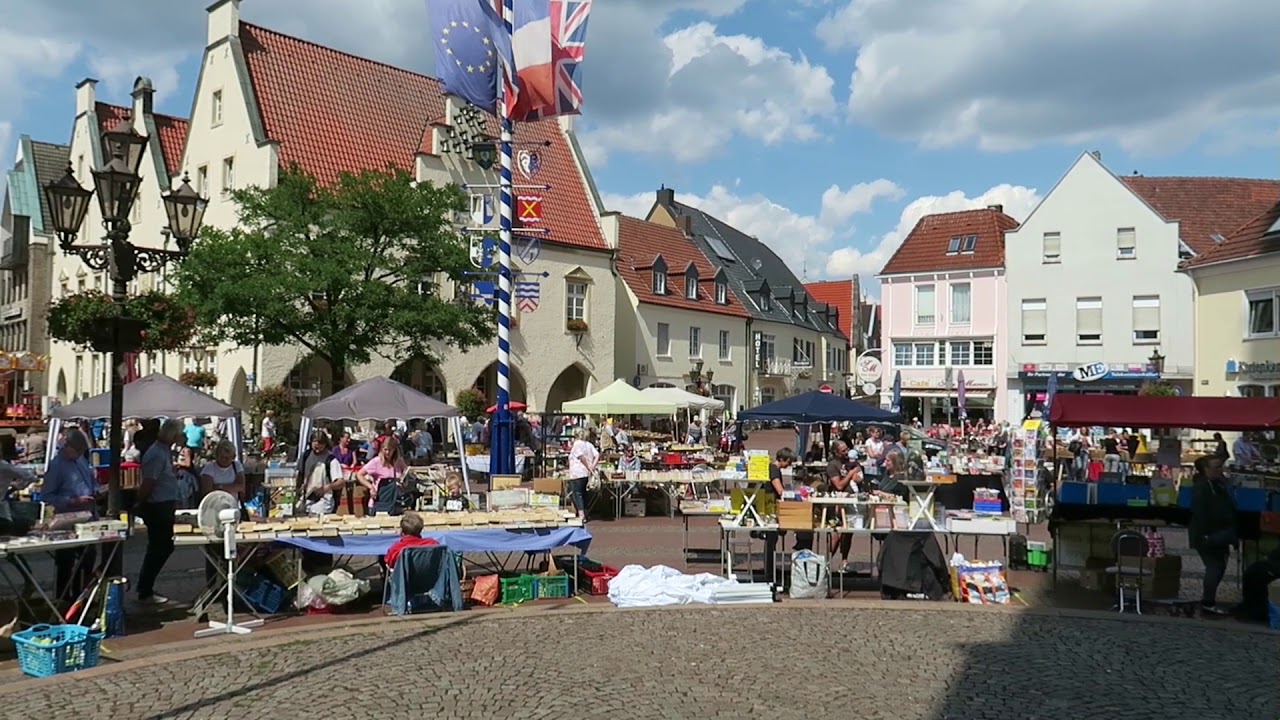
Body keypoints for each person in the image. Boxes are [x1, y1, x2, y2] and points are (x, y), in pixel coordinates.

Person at [39, 428, 99, 600]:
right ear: (67, 446)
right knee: (66, 564)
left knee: (87, 560)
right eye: (77, 450)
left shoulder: (80, 460)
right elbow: (47, 496)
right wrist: (72, 501)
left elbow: (91, 483)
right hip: (67, 522)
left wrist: (97, 491)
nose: (79, 454)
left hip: (87, 519)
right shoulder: (57, 465)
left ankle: (82, 598)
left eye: (81, 451)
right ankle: (63, 600)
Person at [135, 418, 186, 606]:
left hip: (164, 504)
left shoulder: (164, 452)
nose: (184, 437)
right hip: (157, 506)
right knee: (159, 547)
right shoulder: (157, 453)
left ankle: (145, 587)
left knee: (163, 546)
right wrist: (140, 502)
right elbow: (149, 482)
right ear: (173, 435)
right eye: (181, 433)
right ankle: (145, 589)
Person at [1189, 454, 1238, 615]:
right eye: (1216, 467)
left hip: (1219, 532)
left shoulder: (1219, 484)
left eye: (1220, 466)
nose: (1220, 469)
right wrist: (1205, 535)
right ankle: (1208, 601)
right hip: (1209, 534)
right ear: (1206, 469)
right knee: (1214, 567)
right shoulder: (1203, 487)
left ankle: (1208, 600)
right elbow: (1201, 512)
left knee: (1219, 566)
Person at [761, 448, 796, 584]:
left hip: (770, 505)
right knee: (771, 540)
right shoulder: (774, 470)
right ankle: (769, 573)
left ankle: (769, 570)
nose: (789, 465)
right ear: (782, 459)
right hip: (770, 507)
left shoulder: (774, 469)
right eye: (789, 462)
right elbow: (779, 490)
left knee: (772, 541)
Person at [825, 441, 861, 568]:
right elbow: (839, 485)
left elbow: (859, 476)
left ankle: (845, 561)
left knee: (849, 532)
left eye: (847, 449)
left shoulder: (852, 462)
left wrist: (857, 476)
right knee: (839, 532)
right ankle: (827, 561)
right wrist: (851, 474)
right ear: (836, 452)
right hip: (840, 502)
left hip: (853, 499)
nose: (846, 452)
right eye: (843, 451)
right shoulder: (832, 466)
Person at [298, 431, 347, 515]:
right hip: (305, 502)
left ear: (325, 444)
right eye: (315, 447)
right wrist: (298, 488)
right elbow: (300, 473)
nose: (317, 450)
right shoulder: (305, 456)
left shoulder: (331, 460)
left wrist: (327, 487)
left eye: (320, 447)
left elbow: (341, 482)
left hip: (323, 504)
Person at [357, 435, 408, 515]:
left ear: (395, 450)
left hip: (395, 504)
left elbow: (406, 475)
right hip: (379, 503)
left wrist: (404, 483)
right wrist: (371, 487)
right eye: (385, 450)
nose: (387, 452)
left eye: (390, 450)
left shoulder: (399, 462)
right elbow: (359, 474)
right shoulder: (376, 461)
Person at [566, 428, 599, 522]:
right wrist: (593, 465)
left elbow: (581, 457)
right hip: (586, 473)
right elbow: (597, 455)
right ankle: (586, 512)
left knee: (577, 493)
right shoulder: (589, 444)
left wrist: (588, 466)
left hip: (577, 472)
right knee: (584, 493)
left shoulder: (577, 444)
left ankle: (581, 515)